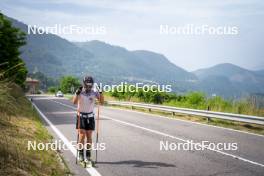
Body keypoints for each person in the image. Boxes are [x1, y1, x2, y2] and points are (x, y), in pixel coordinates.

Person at [72, 76, 104, 166]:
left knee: (89, 136)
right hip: (81, 116)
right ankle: (81, 155)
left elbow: (102, 102)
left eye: (90, 85)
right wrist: (77, 93)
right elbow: (74, 102)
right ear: (84, 84)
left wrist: (101, 93)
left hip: (90, 117)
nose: (89, 87)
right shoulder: (80, 91)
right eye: (87, 85)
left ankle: (88, 155)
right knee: (82, 136)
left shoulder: (94, 92)